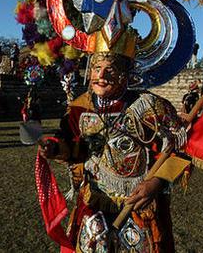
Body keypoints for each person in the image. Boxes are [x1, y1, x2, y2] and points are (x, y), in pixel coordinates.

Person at [40, 31, 188, 252]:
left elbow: (181, 148)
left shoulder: (150, 106)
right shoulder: (81, 107)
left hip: (139, 202)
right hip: (94, 201)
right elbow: (74, 148)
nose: (102, 75)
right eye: (97, 68)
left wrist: (156, 184)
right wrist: (54, 149)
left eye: (111, 69)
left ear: (125, 75)